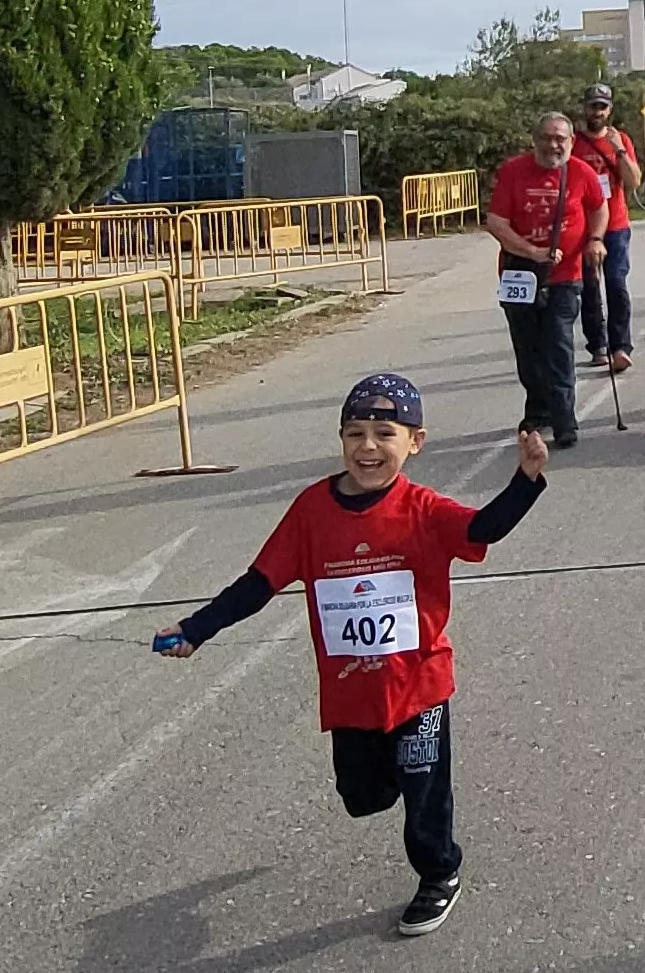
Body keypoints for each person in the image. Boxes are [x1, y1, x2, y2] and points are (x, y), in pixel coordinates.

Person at [154, 374, 549, 937]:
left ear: (415, 441)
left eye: (384, 433)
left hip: (419, 685)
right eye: (354, 433)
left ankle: (440, 874)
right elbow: (260, 582)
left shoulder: (422, 509)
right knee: (361, 798)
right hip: (352, 690)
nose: (367, 447)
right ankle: (387, 781)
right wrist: (198, 628)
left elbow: (484, 527)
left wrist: (525, 480)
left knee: (424, 793)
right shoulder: (312, 510)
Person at [482, 112, 608, 448]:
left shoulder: (582, 172)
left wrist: (596, 239)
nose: (554, 144)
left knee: (558, 344)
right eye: (547, 137)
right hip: (520, 272)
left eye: (561, 139)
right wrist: (530, 250)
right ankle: (538, 409)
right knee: (528, 348)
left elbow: (599, 207)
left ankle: (565, 418)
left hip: (566, 276)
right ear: (535, 139)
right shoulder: (513, 172)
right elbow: (496, 222)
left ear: (570, 141)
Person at [571, 84, 642, 373]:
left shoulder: (619, 139)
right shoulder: (573, 143)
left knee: (616, 283)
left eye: (602, 107)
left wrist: (620, 151)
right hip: (582, 226)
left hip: (615, 224)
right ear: (584, 108)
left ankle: (621, 346)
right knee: (588, 285)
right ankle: (597, 344)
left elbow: (633, 181)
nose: (597, 112)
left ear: (609, 110)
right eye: (592, 106)